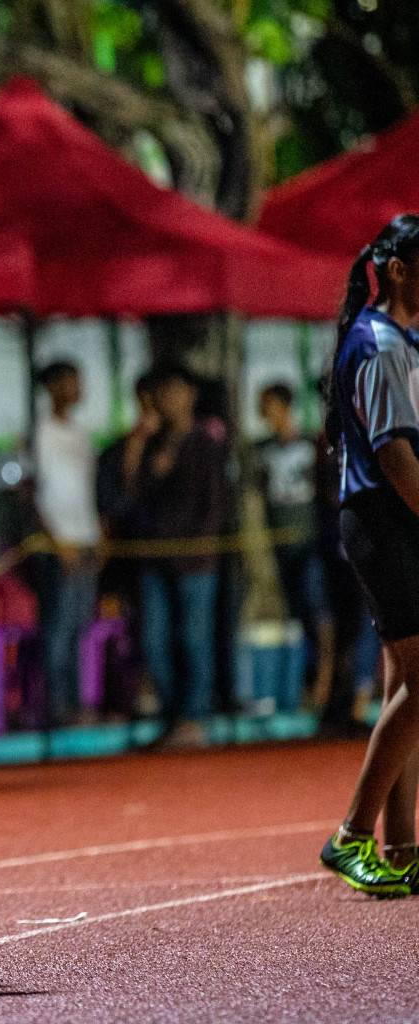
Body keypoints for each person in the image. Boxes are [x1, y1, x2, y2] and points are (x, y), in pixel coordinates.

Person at [318, 214, 419, 896]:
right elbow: (395, 456)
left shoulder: (401, 340)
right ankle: (351, 836)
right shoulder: (382, 345)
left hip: (392, 521)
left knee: (403, 686)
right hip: (387, 521)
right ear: (402, 269)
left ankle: (405, 845)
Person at [131, 364, 227, 748]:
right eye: (162, 392)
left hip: (196, 561)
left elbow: (217, 503)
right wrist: (140, 450)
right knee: (153, 640)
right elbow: (130, 497)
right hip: (154, 558)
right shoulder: (152, 443)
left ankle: (195, 718)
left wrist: (202, 544)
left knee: (194, 638)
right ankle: (173, 716)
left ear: (190, 395)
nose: (167, 400)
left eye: (175, 391)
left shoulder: (208, 442)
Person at [250, 382, 331, 707]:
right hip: (281, 547)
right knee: (298, 614)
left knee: (318, 610)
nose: (264, 413)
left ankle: (324, 678)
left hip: (310, 544)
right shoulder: (262, 451)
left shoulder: (310, 445)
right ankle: (309, 679)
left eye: (268, 405)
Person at [32, 362, 100, 726]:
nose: (77, 388)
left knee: (79, 627)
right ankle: (58, 706)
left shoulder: (81, 434)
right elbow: (34, 495)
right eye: (70, 381)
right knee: (58, 627)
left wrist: (97, 538)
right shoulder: (39, 433)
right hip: (58, 547)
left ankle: (77, 702)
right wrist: (58, 542)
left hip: (86, 542)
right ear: (53, 387)